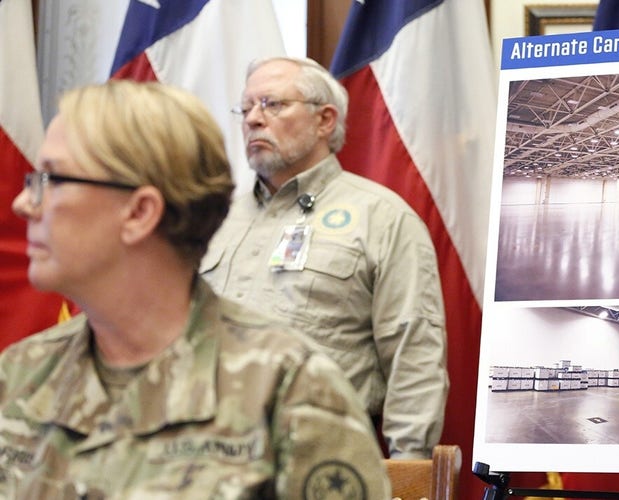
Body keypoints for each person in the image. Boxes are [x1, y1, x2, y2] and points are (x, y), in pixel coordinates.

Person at [0, 80, 390, 498]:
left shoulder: (289, 390)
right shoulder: (19, 375)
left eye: (52, 179)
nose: (24, 203)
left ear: (140, 213)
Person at [200, 57, 448, 459]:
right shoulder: (215, 217)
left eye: (272, 104)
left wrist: (408, 470)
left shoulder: (382, 217)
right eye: (246, 109)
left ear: (325, 120)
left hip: (320, 460)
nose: (253, 120)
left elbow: (413, 355)